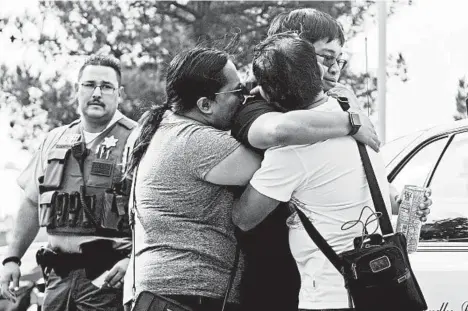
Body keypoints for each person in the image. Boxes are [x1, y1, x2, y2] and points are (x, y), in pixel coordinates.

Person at [232, 32, 431, 311]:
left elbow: (244, 218)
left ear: (268, 93)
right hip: (387, 292)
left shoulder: (291, 152)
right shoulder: (353, 116)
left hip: (331, 296)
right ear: (317, 71)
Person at [231, 8, 374, 311]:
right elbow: (279, 132)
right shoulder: (257, 106)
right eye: (326, 57)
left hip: (332, 278)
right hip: (274, 275)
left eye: (339, 59)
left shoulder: (340, 103)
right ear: (297, 52)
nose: (335, 69)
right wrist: (351, 122)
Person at [122, 47, 261, 311]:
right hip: (186, 295)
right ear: (205, 105)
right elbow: (275, 164)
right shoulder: (195, 142)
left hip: (163, 293)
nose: (244, 98)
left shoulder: (162, 128)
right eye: (238, 92)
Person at [0, 55, 137, 311]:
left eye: (106, 86)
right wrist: (12, 259)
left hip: (109, 279)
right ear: (77, 89)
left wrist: (133, 261)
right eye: (89, 85)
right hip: (57, 278)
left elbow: (156, 212)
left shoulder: (137, 140)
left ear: (118, 94)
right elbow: (31, 203)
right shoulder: (54, 139)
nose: (97, 92)